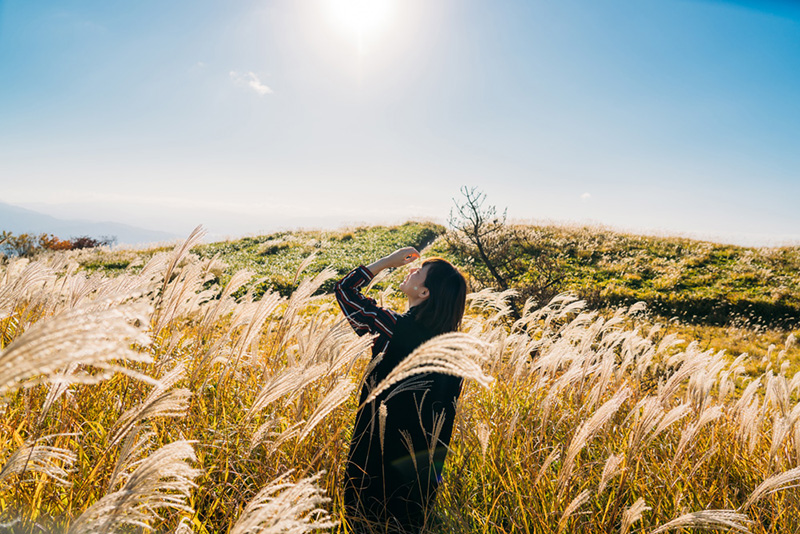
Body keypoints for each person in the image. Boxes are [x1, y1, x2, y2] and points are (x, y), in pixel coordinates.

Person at [334, 247, 468, 533]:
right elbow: (445, 415)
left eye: (420, 271)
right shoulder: (456, 354)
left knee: (362, 523)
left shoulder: (392, 327)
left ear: (424, 293)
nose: (412, 269)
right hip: (417, 480)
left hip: (372, 460)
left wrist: (386, 262)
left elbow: (345, 291)